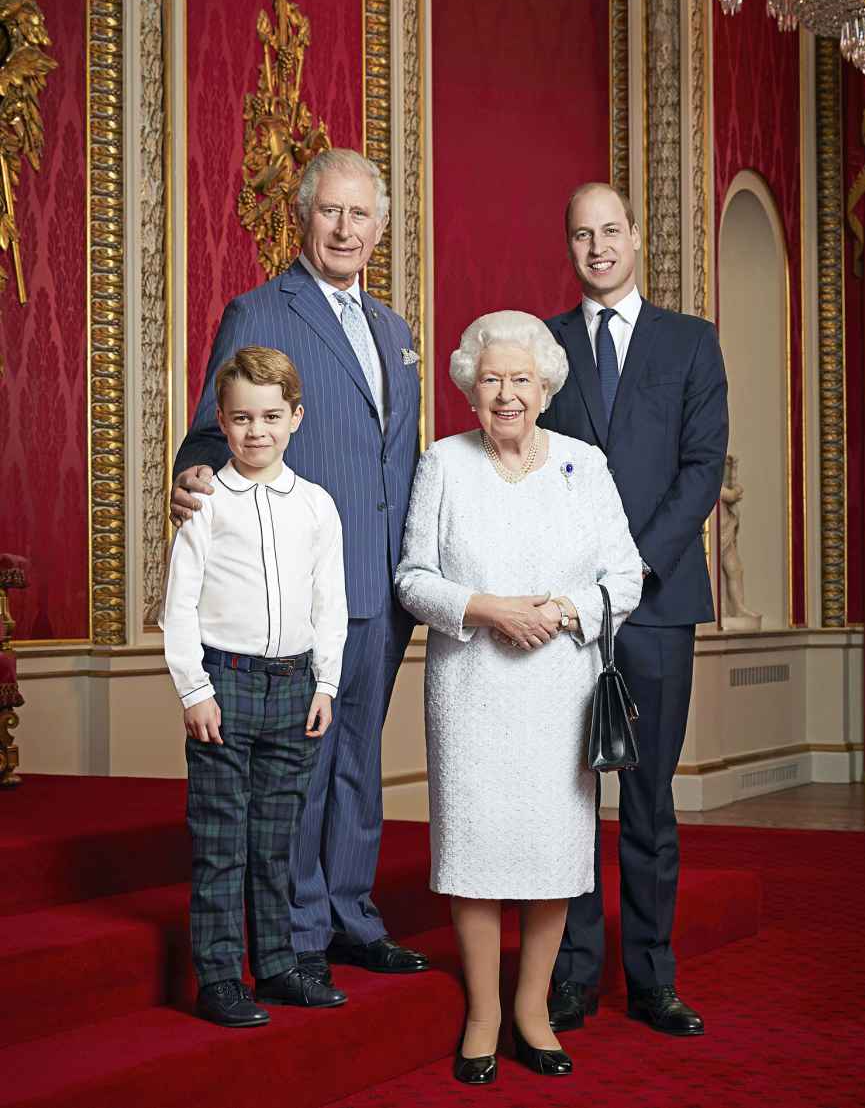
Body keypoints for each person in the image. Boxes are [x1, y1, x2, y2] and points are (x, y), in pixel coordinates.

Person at [169, 149, 428, 1001]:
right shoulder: (260, 309)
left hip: (383, 584)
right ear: (305, 218)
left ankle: (354, 915)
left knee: (359, 758)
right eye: (331, 213)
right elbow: (215, 426)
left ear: (380, 228)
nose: (346, 229)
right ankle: (299, 932)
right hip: (304, 584)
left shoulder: (395, 330)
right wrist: (196, 472)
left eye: (361, 216)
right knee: (303, 772)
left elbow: (398, 460)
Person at [396, 312, 643, 1084]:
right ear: (471, 388)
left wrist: (562, 611)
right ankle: (483, 1011)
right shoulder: (443, 462)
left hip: (558, 688)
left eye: (521, 380)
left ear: (545, 387)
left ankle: (533, 1008)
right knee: (473, 851)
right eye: (492, 379)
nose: (507, 394)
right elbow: (412, 577)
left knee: (551, 853)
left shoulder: (585, 463)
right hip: (471, 686)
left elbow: (625, 576)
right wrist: (487, 608)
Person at [539, 182, 728, 1037]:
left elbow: (701, 470)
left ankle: (652, 976)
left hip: (655, 605)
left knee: (649, 801)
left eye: (610, 230)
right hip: (568, 612)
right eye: (582, 235)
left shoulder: (692, 343)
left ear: (637, 238)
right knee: (571, 798)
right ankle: (573, 973)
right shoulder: (538, 346)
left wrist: (632, 567)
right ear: (570, 246)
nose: (597, 247)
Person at [160, 346, 348, 1026]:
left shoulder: (318, 507)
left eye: (271, 415)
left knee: (275, 837)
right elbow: (177, 605)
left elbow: (331, 600)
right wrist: (193, 689)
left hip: (295, 686)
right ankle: (218, 975)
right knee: (219, 837)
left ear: (295, 416)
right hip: (225, 683)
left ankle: (275, 964)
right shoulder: (206, 503)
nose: (256, 431)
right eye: (242, 418)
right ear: (222, 419)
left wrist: (326, 682)